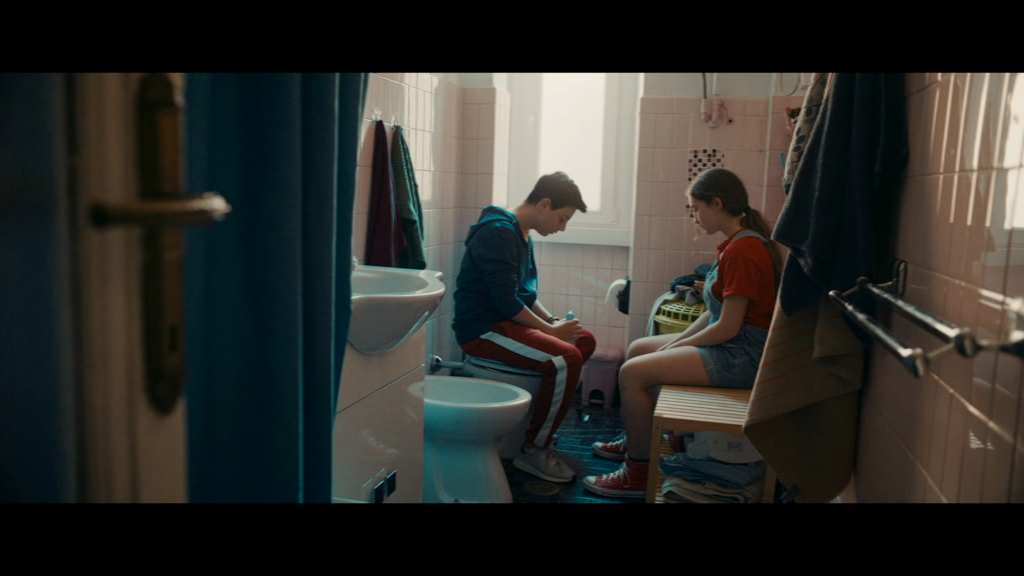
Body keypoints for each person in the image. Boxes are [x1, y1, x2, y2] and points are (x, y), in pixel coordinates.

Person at [583, 168, 780, 498]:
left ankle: (637, 472)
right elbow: (714, 313)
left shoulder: (745, 251)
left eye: (696, 208)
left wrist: (680, 345)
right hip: (735, 345)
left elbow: (728, 327)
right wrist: (676, 342)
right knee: (639, 349)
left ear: (716, 203)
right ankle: (637, 439)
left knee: (632, 373)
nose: (695, 218)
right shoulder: (735, 245)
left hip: (743, 355)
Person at [453, 171, 596, 483]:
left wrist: (552, 322)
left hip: (507, 322)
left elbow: (525, 295)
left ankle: (538, 424)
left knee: (583, 341)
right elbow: (506, 302)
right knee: (566, 359)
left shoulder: (522, 232)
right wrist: (550, 332)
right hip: (483, 329)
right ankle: (534, 450)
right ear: (544, 204)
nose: (562, 227)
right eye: (562, 218)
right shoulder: (499, 232)